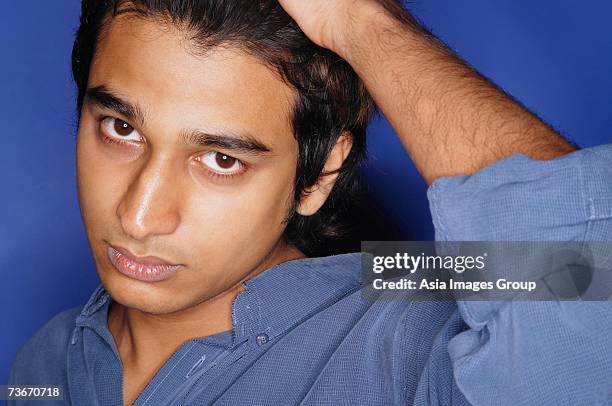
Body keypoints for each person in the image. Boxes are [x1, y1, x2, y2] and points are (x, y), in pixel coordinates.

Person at [8, 0, 612, 405]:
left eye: (222, 160)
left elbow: (583, 275)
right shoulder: (46, 360)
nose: (138, 216)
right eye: (121, 129)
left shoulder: (404, 299)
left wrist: (361, 21)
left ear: (319, 175)